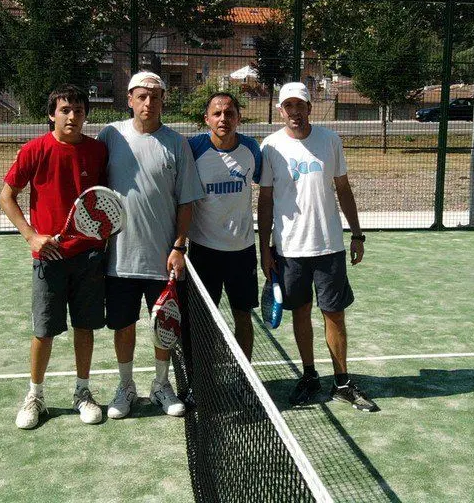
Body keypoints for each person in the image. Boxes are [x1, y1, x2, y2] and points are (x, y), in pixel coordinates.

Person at [258, 82, 378, 412]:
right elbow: (265, 200)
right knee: (300, 313)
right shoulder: (269, 146)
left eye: (300, 105)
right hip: (289, 249)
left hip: (329, 247)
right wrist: (264, 247)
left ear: (310, 108)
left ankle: (341, 382)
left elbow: (343, 188)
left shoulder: (330, 140)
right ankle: (309, 376)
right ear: (280, 110)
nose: (294, 112)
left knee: (334, 315)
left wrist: (357, 234)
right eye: (288, 106)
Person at [0, 84, 108, 429]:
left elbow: (103, 200)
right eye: (65, 109)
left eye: (78, 110)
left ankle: (83, 392)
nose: (72, 116)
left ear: (86, 114)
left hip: (88, 256)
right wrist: (32, 236)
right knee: (44, 330)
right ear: (52, 115)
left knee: (85, 327)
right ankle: (35, 396)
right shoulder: (35, 150)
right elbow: (7, 196)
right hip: (49, 257)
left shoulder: (98, 151)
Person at [98, 71, 204, 419]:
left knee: (165, 325)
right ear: (129, 99)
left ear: (163, 101)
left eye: (155, 96)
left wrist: (179, 247)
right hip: (118, 259)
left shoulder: (177, 143)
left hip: (163, 259)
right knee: (123, 326)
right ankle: (126, 386)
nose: (149, 102)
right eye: (142, 96)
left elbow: (186, 201)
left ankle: (161, 385)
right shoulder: (110, 136)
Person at [188, 92, 262, 359]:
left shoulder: (251, 149)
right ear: (206, 119)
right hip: (203, 251)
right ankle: (204, 377)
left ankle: (246, 379)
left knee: (243, 316)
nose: (223, 118)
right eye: (217, 113)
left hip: (242, 252)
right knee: (204, 319)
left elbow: (268, 187)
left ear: (238, 118)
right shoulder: (193, 148)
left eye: (229, 113)